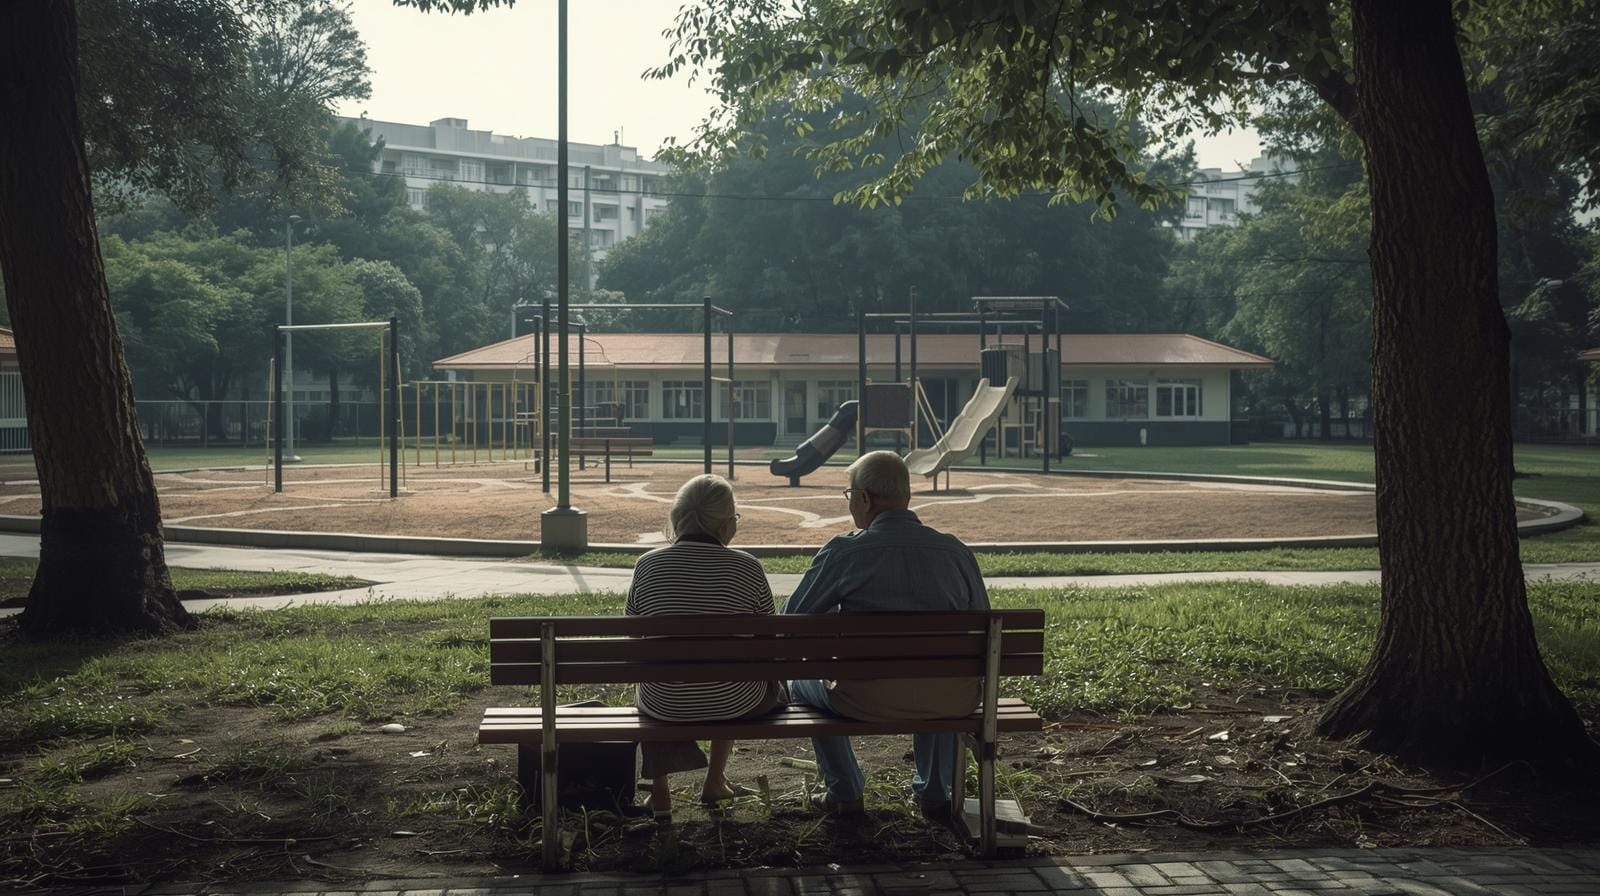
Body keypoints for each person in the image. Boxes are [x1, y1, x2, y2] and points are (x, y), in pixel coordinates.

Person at [783, 450, 989, 818]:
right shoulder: (955, 551)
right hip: (952, 698)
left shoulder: (845, 553)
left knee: (801, 681)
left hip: (861, 697)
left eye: (849, 497)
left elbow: (792, 622)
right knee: (936, 669)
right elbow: (982, 625)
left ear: (864, 498)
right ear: (906, 496)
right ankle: (936, 792)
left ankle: (845, 790)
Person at [626, 474, 784, 820]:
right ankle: (714, 781)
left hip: (663, 702)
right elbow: (768, 642)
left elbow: (635, 639)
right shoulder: (749, 567)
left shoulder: (647, 565)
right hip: (737, 701)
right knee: (736, 675)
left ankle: (661, 792)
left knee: (654, 679)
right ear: (726, 524)